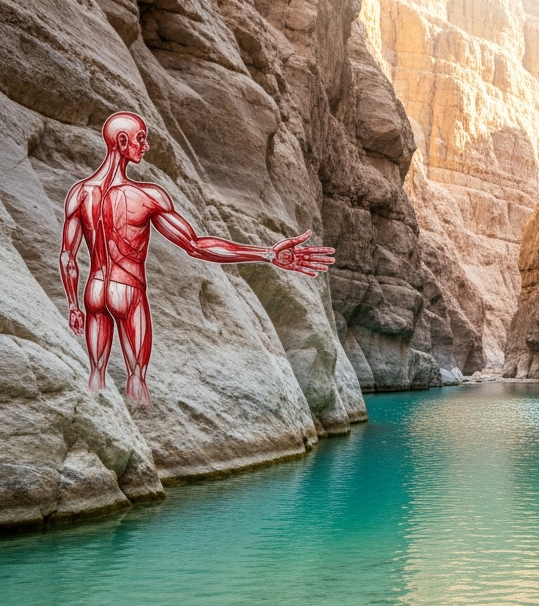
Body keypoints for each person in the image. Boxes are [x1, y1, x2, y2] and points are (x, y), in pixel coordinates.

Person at [59, 112, 336, 406]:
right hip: (128, 290)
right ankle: (146, 427)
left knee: (96, 376)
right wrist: (266, 254)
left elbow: (68, 256)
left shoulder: (79, 193)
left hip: (94, 291)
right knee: (137, 377)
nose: (146, 146)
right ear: (122, 141)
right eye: (141, 139)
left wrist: (73, 305)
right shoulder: (147, 196)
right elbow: (195, 245)